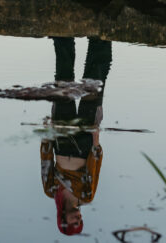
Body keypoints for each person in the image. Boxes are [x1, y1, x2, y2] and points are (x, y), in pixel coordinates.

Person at [40, 37, 112, 236]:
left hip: (62, 140)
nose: (79, 218)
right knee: (94, 84)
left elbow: (46, 162)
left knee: (63, 81)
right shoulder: (86, 196)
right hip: (84, 144)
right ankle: (100, 39)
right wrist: (96, 143)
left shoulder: (51, 190)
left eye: (74, 223)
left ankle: (63, 36)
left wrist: (47, 134)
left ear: (62, 219)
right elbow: (94, 170)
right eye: (80, 222)